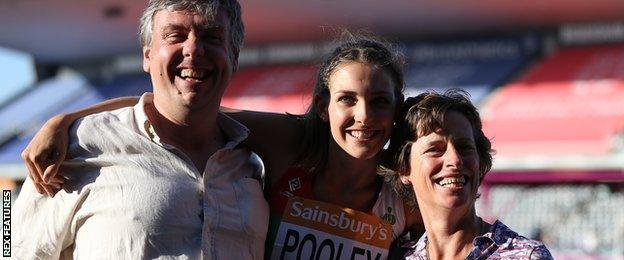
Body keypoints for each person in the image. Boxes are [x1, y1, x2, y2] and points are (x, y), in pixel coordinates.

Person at [21, 33, 424, 258]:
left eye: (380, 101)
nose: (365, 116)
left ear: (396, 109)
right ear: (322, 106)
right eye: (347, 99)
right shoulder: (288, 146)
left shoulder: (407, 196)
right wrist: (64, 119)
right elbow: (177, 106)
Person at [13, 0, 269, 259]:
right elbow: (12, 248)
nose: (193, 48)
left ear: (234, 56)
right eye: (175, 36)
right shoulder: (74, 147)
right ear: (147, 56)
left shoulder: (255, 162)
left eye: (212, 36)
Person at [383, 90, 553, 259]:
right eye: (435, 149)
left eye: (464, 148)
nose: (455, 160)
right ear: (404, 168)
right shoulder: (396, 256)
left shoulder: (525, 256)